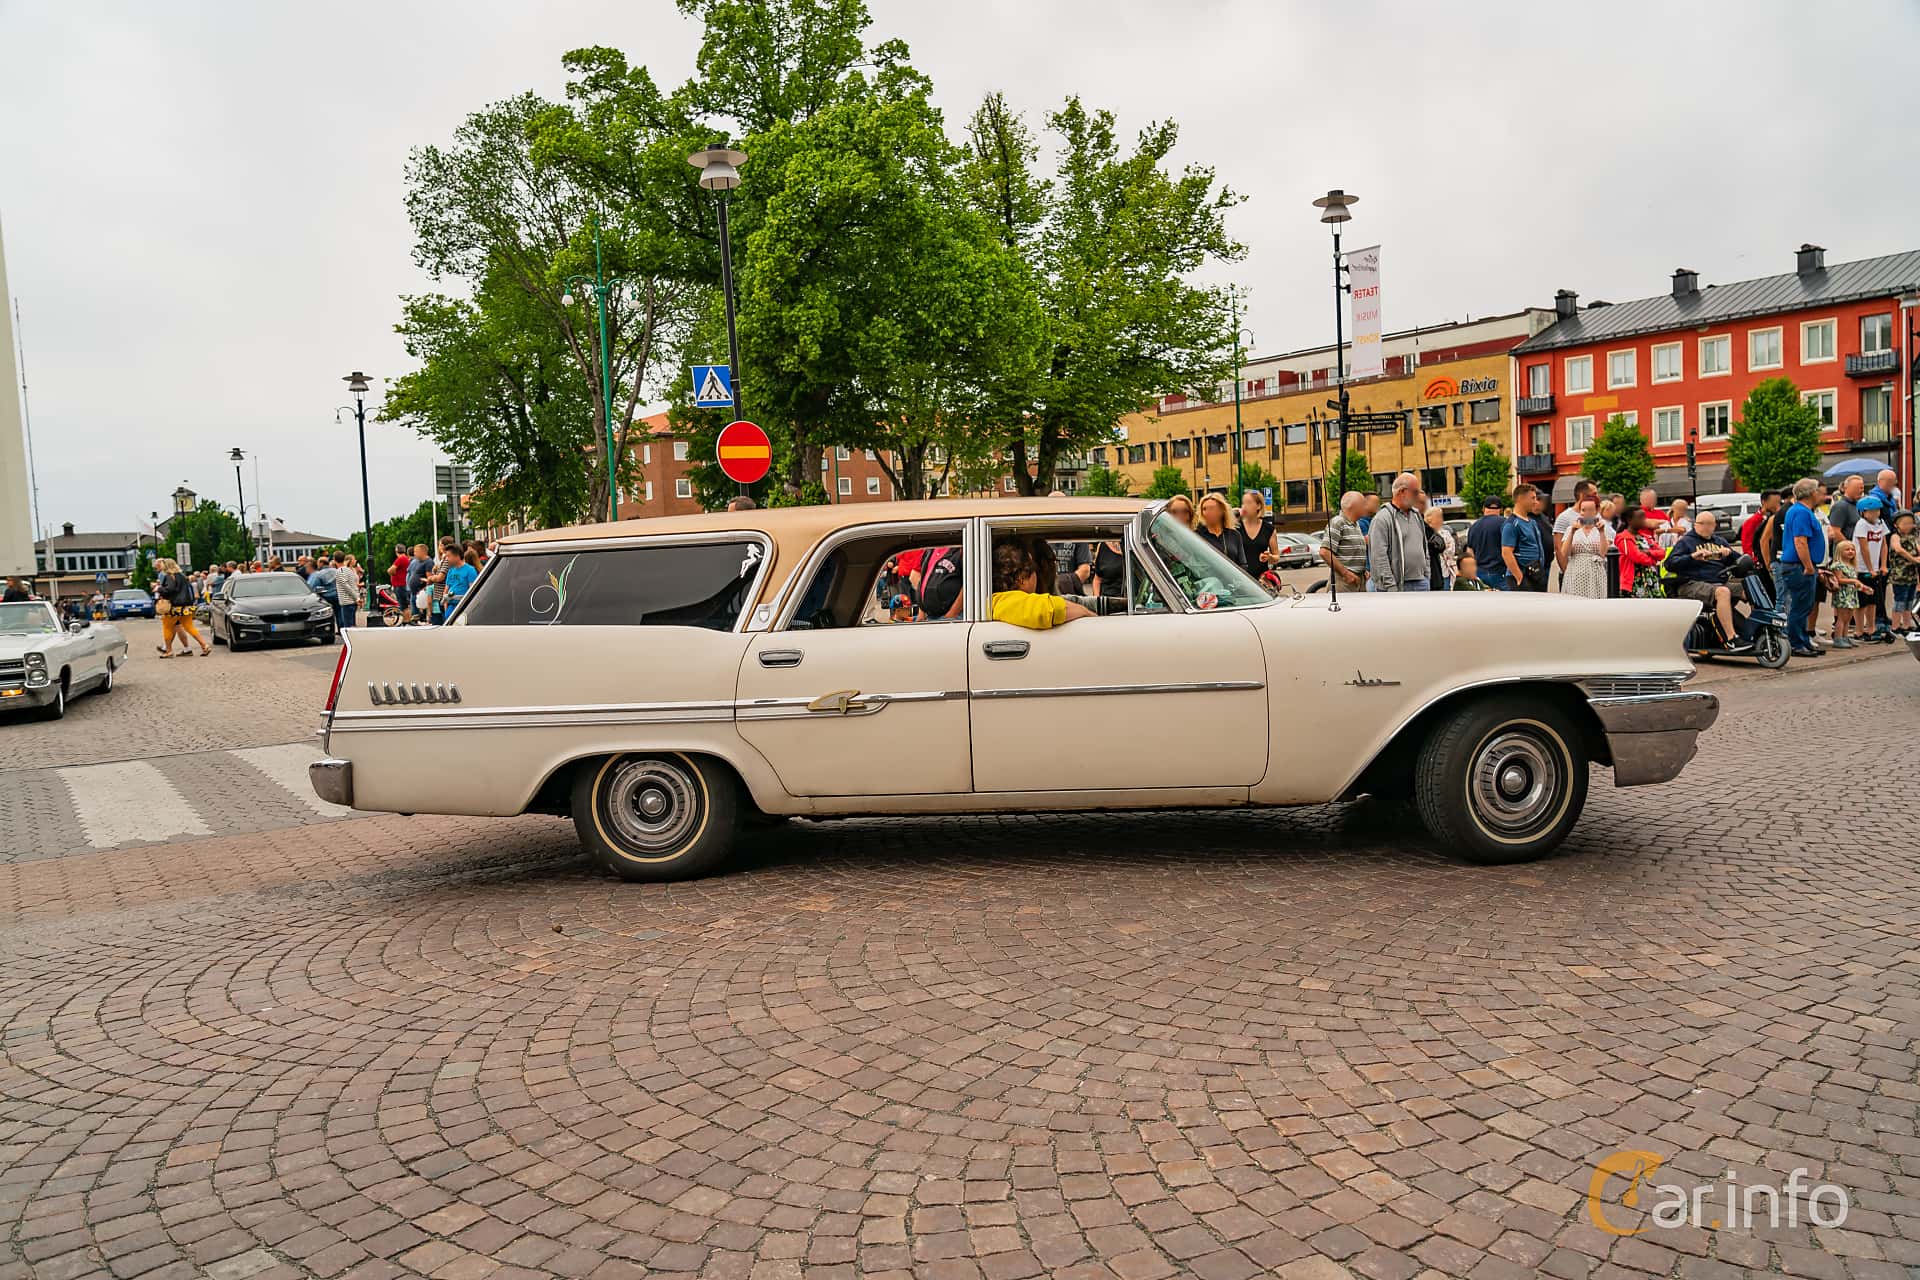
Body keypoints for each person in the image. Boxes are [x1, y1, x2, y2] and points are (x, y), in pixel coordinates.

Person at [1668, 510, 1748, 647]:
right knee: (1723, 592)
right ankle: (1731, 638)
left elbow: (1738, 562)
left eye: (1710, 524)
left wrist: (1729, 554)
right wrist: (1692, 557)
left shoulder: (1720, 541)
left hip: (1719, 581)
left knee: (1749, 587)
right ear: (1695, 525)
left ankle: (1755, 629)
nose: (1706, 527)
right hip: (1692, 583)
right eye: (1702, 524)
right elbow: (1670, 564)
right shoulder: (1686, 542)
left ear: (1714, 525)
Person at [1777, 477, 1827, 658]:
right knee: (1800, 606)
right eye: (1818, 491)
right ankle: (1796, 643)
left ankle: (1803, 640)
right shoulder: (1801, 512)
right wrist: (1808, 566)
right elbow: (1800, 541)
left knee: (1805, 606)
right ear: (1812, 493)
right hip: (1799, 566)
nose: (1821, 494)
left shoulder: (1800, 510)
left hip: (1801, 565)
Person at [989, 544, 1091, 629]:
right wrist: (1087, 613)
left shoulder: (996, 601)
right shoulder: (1005, 602)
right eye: (1034, 570)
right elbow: (1047, 609)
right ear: (1021, 578)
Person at [1366, 473, 1430, 592]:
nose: (1418, 496)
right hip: (1398, 585)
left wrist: (1426, 575)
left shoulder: (1416, 516)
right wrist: (1391, 586)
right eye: (1415, 492)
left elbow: (1424, 547)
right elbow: (1379, 556)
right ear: (1402, 492)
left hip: (1421, 582)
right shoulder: (1382, 519)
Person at [152, 558, 211, 657]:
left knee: (167, 627)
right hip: (186, 605)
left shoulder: (169, 576)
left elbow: (170, 589)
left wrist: (159, 588)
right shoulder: (182, 576)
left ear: (166, 566)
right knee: (189, 627)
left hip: (174, 606)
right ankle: (204, 645)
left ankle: (169, 651)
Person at [1557, 496, 1611, 600]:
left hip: (1595, 572)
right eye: (1583, 510)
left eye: (1590, 510)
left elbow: (1603, 553)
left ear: (1597, 510)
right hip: (1575, 571)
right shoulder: (1571, 529)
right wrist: (1572, 532)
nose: (1586, 513)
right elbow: (1564, 553)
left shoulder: (1603, 528)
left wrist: (1602, 532)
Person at [1851, 496, 1889, 643]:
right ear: (1862, 512)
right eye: (1871, 511)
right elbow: (1864, 547)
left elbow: (1884, 545)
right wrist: (1869, 568)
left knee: (1873, 600)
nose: (1875, 514)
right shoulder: (1861, 525)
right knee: (1861, 601)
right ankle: (1859, 630)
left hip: (1875, 567)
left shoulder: (1880, 523)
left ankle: (1871, 628)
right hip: (1861, 568)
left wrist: (1883, 565)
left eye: (1877, 510)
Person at [1501, 483, 1548, 592]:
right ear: (1521, 499)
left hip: (1536, 575)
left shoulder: (1532, 522)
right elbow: (1506, 552)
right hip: (1522, 576)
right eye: (1532, 498)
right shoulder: (1512, 524)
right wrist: (1519, 578)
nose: (1535, 502)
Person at [1320, 491, 1367, 591]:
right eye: (1363, 504)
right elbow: (1325, 552)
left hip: (1357, 580)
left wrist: (1363, 570)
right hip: (1344, 582)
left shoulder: (1356, 524)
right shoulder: (1338, 522)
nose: (1365, 507)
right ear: (1352, 506)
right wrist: (1345, 574)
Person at [1617, 507, 1664, 598]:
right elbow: (1637, 557)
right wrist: (1654, 560)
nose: (1644, 520)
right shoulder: (1623, 538)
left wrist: (1649, 553)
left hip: (1651, 579)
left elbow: (1662, 553)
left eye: (1644, 517)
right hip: (1634, 582)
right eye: (1640, 517)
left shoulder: (1647, 537)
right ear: (1629, 520)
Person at [1195, 494, 1248, 570]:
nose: (1207, 512)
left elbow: (1243, 564)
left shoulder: (1235, 535)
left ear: (1222, 511)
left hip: (1233, 579)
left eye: (1212, 508)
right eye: (1204, 509)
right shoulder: (1197, 536)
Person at [1465, 497, 1508, 590]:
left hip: (1480, 573)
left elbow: (1470, 553)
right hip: (1501, 572)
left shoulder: (1474, 526)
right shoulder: (1505, 523)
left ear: (1483, 508)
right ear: (1500, 509)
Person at [1887, 510, 1919, 633]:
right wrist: (1913, 559)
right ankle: (1895, 626)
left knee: (1910, 600)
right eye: (1904, 524)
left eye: (1910, 523)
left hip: (1911, 575)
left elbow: (1918, 547)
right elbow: (1899, 550)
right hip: (1900, 575)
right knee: (1900, 600)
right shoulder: (1895, 537)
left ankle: (1907, 624)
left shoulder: (1912, 537)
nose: (1908, 526)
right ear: (1896, 525)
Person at [1828, 541, 1864, 648]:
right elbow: (1839, 579)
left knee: (1848, 618)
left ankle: (1845, 636)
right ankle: (1838, 638)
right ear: (1840, 552)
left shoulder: (1852, 565)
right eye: (1847, 549)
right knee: (1841, 617)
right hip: (1842, 595)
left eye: (1852, 549)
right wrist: (1853, 581)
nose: (1851, 551)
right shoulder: (1838, 565)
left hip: (1851, 595)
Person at [1553, 479, 1596, 559]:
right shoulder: (1564, 517)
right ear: (1582, 495)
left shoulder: (1596, 516)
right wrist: (1566, 570)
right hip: (1573, 568)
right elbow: (1559, 549)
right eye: (1594, 494)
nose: (1597, 497)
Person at [1238, 490, 1277, 575]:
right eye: (1243, 503)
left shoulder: (1269, 529)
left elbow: (1276, 557)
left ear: (1258, 506)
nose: (1244, 506)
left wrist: (1269, 557)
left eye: (1249, 503)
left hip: (1261, 580)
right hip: (1240, 578)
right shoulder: (1236, 527)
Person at [1740, 490, 1782, 558]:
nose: (1777, 506)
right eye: (1774, 503)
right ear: (1763, 502)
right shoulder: (1752, 522)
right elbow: (1747, 547)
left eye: (1779, 503)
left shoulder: (1779, 518)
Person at [1424, 505, 1455, 589]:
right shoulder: (1424, 532)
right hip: (1431, 573)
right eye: (1438, 517)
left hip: (1445, 572)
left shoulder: (1445, 533)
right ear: (1429, 518)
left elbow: (1451, 551)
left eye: (1441, 517)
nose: (1441, 520)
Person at [442, 547, 478, 621]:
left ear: (457, 556)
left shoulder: (470, 570)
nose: (447, 559)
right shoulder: (451, 570)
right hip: (451, 606)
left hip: (463, 607)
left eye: (448, 556)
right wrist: (446, 608)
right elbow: (446, 589)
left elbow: (472, 590)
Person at [332, 553, 361, 633]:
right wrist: (357, 598)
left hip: (347, 602)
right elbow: (354, 585)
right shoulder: (350, 570)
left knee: (348, 626)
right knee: (352, 625)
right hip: (353, 601)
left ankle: (349, 643)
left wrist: (356, 598)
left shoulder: (340, 571)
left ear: (335, 560)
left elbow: (346, 586)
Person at [389, 544, 412, 622]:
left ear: (396, 551)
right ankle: (407, 620)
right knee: (405, 604)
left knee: (403, 605)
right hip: (403, 584)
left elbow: (391, 570)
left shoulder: (400, 559)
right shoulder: (406, 558)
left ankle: (406, 621)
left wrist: (392, 572)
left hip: (400, 585)